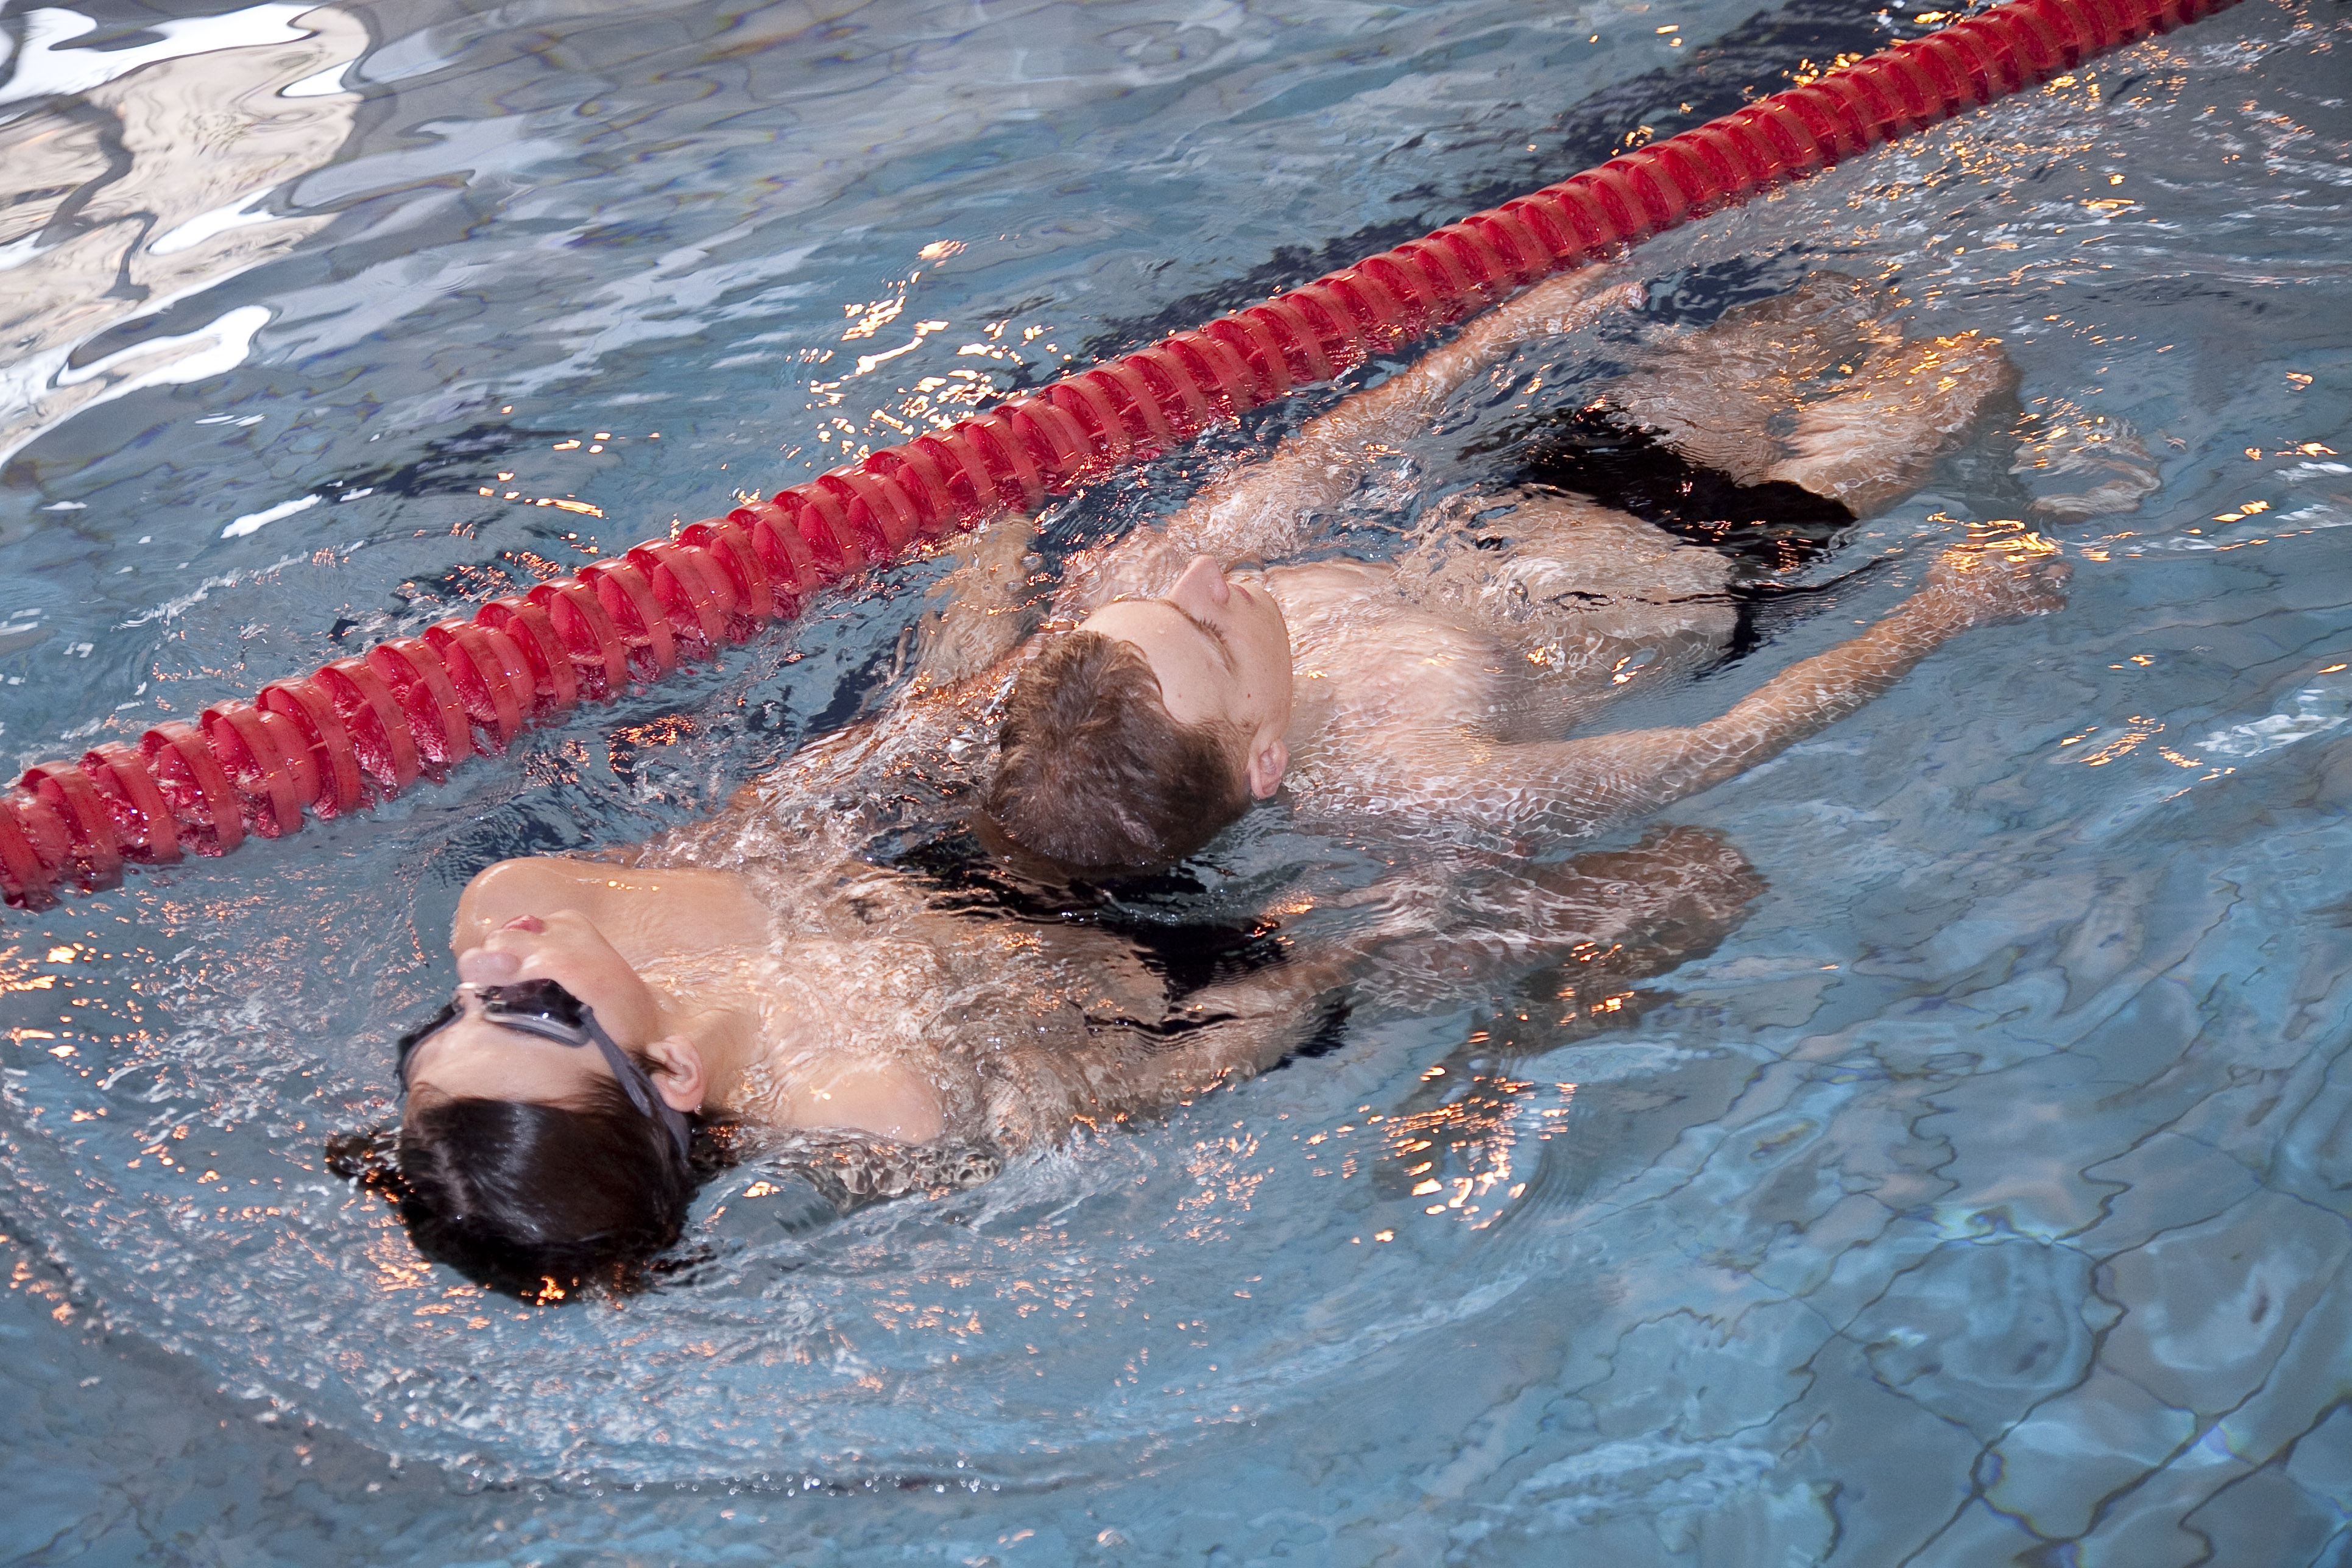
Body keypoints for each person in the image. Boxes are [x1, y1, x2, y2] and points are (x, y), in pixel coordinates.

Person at [980, 266, 2068, 869]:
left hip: (1555, 485)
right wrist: (1944, 611)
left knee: (1835, 296)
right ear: (1262, 761)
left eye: (1154, 607)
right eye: (1206, 632)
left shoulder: (1140, 620)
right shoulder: (1416, 781)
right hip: (1726, 562)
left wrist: (1508, 327)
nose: (1201, 579)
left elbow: (1334, 451)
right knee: (1967, 368)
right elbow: (1722, 745)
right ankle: (2031, 480)